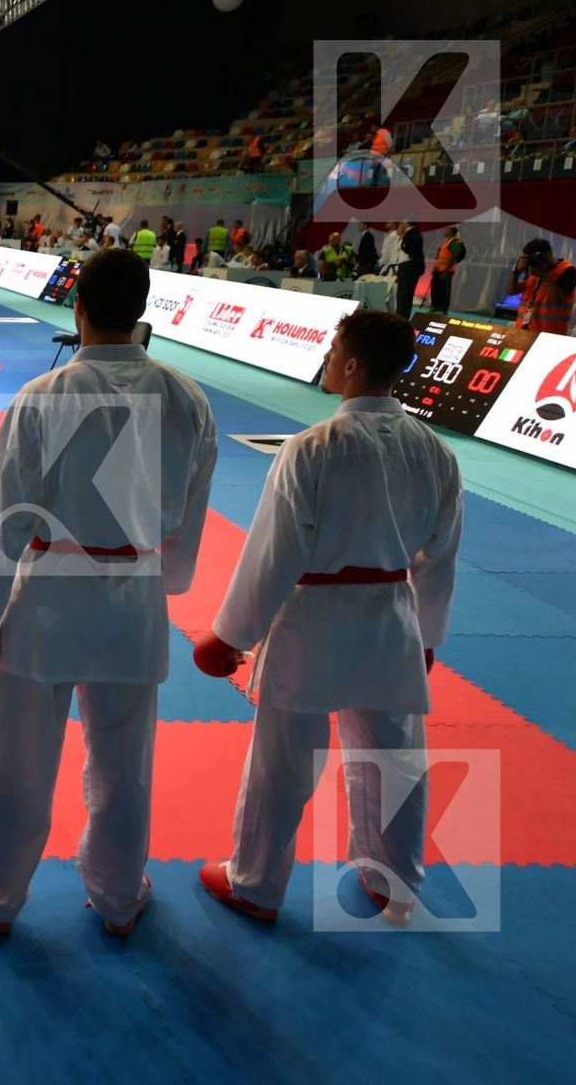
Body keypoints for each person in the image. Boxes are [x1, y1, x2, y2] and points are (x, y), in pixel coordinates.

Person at [0, 248, 218, 937]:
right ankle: (120, 896)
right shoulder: (187, 399)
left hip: (49, 602)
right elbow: (190, 514)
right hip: (136, 595)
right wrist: (166, 580)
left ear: (78, 307)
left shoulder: (44, 397)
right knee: (126, 764)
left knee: (19, 758)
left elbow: (7, 519)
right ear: (143, 312)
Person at [194, 309, 461, 926]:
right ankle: (394, 883)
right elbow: (440, 561)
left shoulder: (312, 448)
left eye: (333, 349)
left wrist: (228, 636)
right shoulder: (436, 453)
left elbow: (273, 553)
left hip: (313, 621)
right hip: (392, 620)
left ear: (351, 364)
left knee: (283, 762)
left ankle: (255, 884)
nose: (327, 359)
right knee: (392, 758)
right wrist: (427, 637)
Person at [514, 238, 576, 334]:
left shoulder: (567, 270)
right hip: (524, 328)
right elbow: (511, 291)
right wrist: (516, 272)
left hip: (550, 332)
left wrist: (544, 275)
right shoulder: (533, 271)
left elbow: (557, 300)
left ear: (549, 253)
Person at [429, 226, 465, 314]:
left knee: (444, 290)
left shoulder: (456, 242)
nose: (445, 230)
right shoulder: (445, 242)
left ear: (452, 232)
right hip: (438, 269)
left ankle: (443, 309)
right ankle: (435, 307)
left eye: (447, 229)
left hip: (447, 271)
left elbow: (454, 257)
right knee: (435, 289)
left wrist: (446, 271)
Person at [396, 218, 424, 319]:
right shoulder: (409, 233)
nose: (402, 224)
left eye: (403, 222)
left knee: (405, 295)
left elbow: (411, 248)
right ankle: (400, 315)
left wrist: (405, 246)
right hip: (405, 266)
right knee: (402, 294)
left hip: (409, 267)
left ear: (407, 223)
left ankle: (402, 317)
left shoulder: (413, 233)